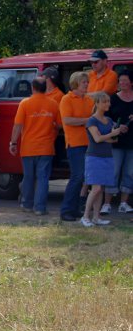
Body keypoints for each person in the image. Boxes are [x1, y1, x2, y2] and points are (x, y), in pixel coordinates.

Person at [9, 77, 60, 215]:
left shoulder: (25, 103)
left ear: (33, 88)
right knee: (43, 179)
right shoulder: (53, 104)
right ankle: (40, 208)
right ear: (46, 88)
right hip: (46, 147)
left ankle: (27, 204)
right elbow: (59, 125)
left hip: (28, 147)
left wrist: (13, 142)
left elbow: (18, 125)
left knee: (28, 177)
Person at [80, 92, 127, 226]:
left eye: (108, 101)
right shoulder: (92, 120)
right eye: (105, 102)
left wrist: (116, 132)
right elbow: (97, 139)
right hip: (94, 157)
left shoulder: (109, 120)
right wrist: (111, 134)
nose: (108, 104)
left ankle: (96, 217)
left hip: (107, 157)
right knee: (95, 188)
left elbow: (114, 140)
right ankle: (85, 217)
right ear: (97, 103)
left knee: (100, 188)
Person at [58, 72, 93, 221]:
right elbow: (67, 120)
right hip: (75, 144)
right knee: (77, 176)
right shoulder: (66, 99)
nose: (86, 84)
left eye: (87, 82)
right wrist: (87, 121)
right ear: (76, 83)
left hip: (89, 143)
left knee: (83, 178)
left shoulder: (89, 99)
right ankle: (66, 210)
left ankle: (75, 209)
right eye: (84, 82)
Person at [106, 70, 133, 213]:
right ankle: (107, 203)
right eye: (120, 80)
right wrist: (117, 127)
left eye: (125, 80)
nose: (122, 83)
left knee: (130, 173)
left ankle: (124, 203)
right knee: (113, 171)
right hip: (116, 142)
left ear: (131, 82)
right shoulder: (113, 99)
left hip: (132, 143)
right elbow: (105, 119)